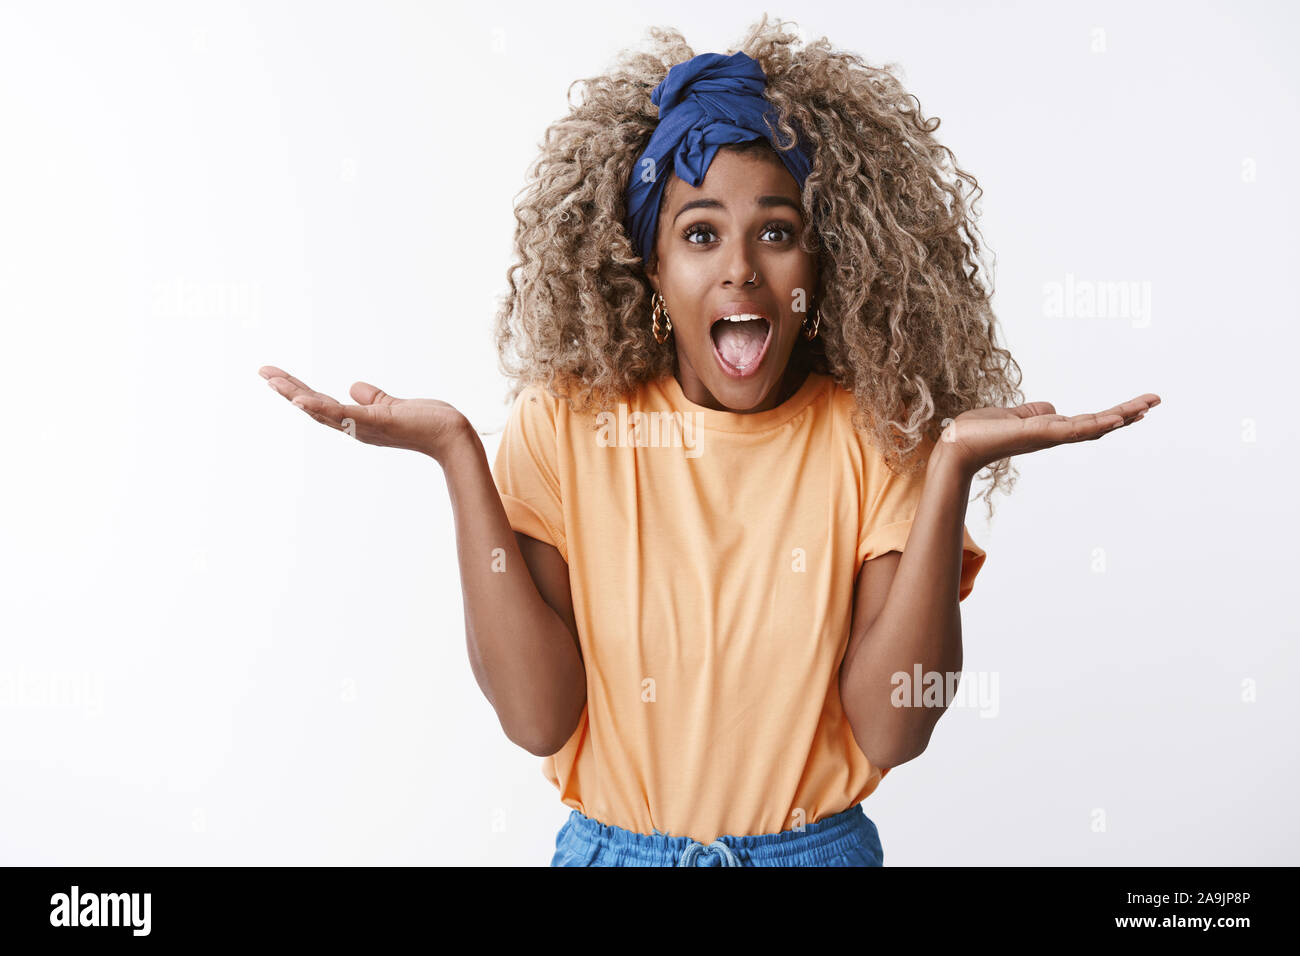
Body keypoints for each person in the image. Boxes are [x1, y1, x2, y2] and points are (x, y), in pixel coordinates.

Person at [259, 15, 1159, 866]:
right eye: (700, 235)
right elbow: (538, 719)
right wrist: (458, 456)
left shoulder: (878, 438)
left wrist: (953, 464)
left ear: (824, 264)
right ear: (652, 267)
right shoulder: (567, 423)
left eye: (777, 231)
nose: (740, 266)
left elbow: (895, 727)